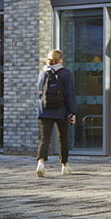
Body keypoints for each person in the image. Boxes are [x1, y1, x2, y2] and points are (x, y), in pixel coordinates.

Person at [35, 48, 77, 177]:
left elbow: (39, 94)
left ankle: (41, 164)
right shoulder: (66, 73)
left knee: (44, 139)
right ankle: (65, 166)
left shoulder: (43, 73)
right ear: (60, 60)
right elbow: (70, 95)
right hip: (61, 111)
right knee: (63, 139)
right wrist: (73, 112)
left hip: (45, 111)